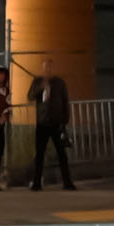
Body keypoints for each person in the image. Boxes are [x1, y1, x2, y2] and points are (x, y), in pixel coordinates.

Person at [27, 58, 76, 191]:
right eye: (45, 67)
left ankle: (67, 182)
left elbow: (65, 101)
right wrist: (41, 87)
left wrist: (65, 121)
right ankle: (37, 182)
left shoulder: (59, 83)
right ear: (42, 69)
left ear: (53, 69)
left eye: (50, 67)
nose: (48, 70)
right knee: (39, 154)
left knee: (61, 154)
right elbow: (30, 96)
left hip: (57, 123)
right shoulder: (37, 81)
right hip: (42, 123)